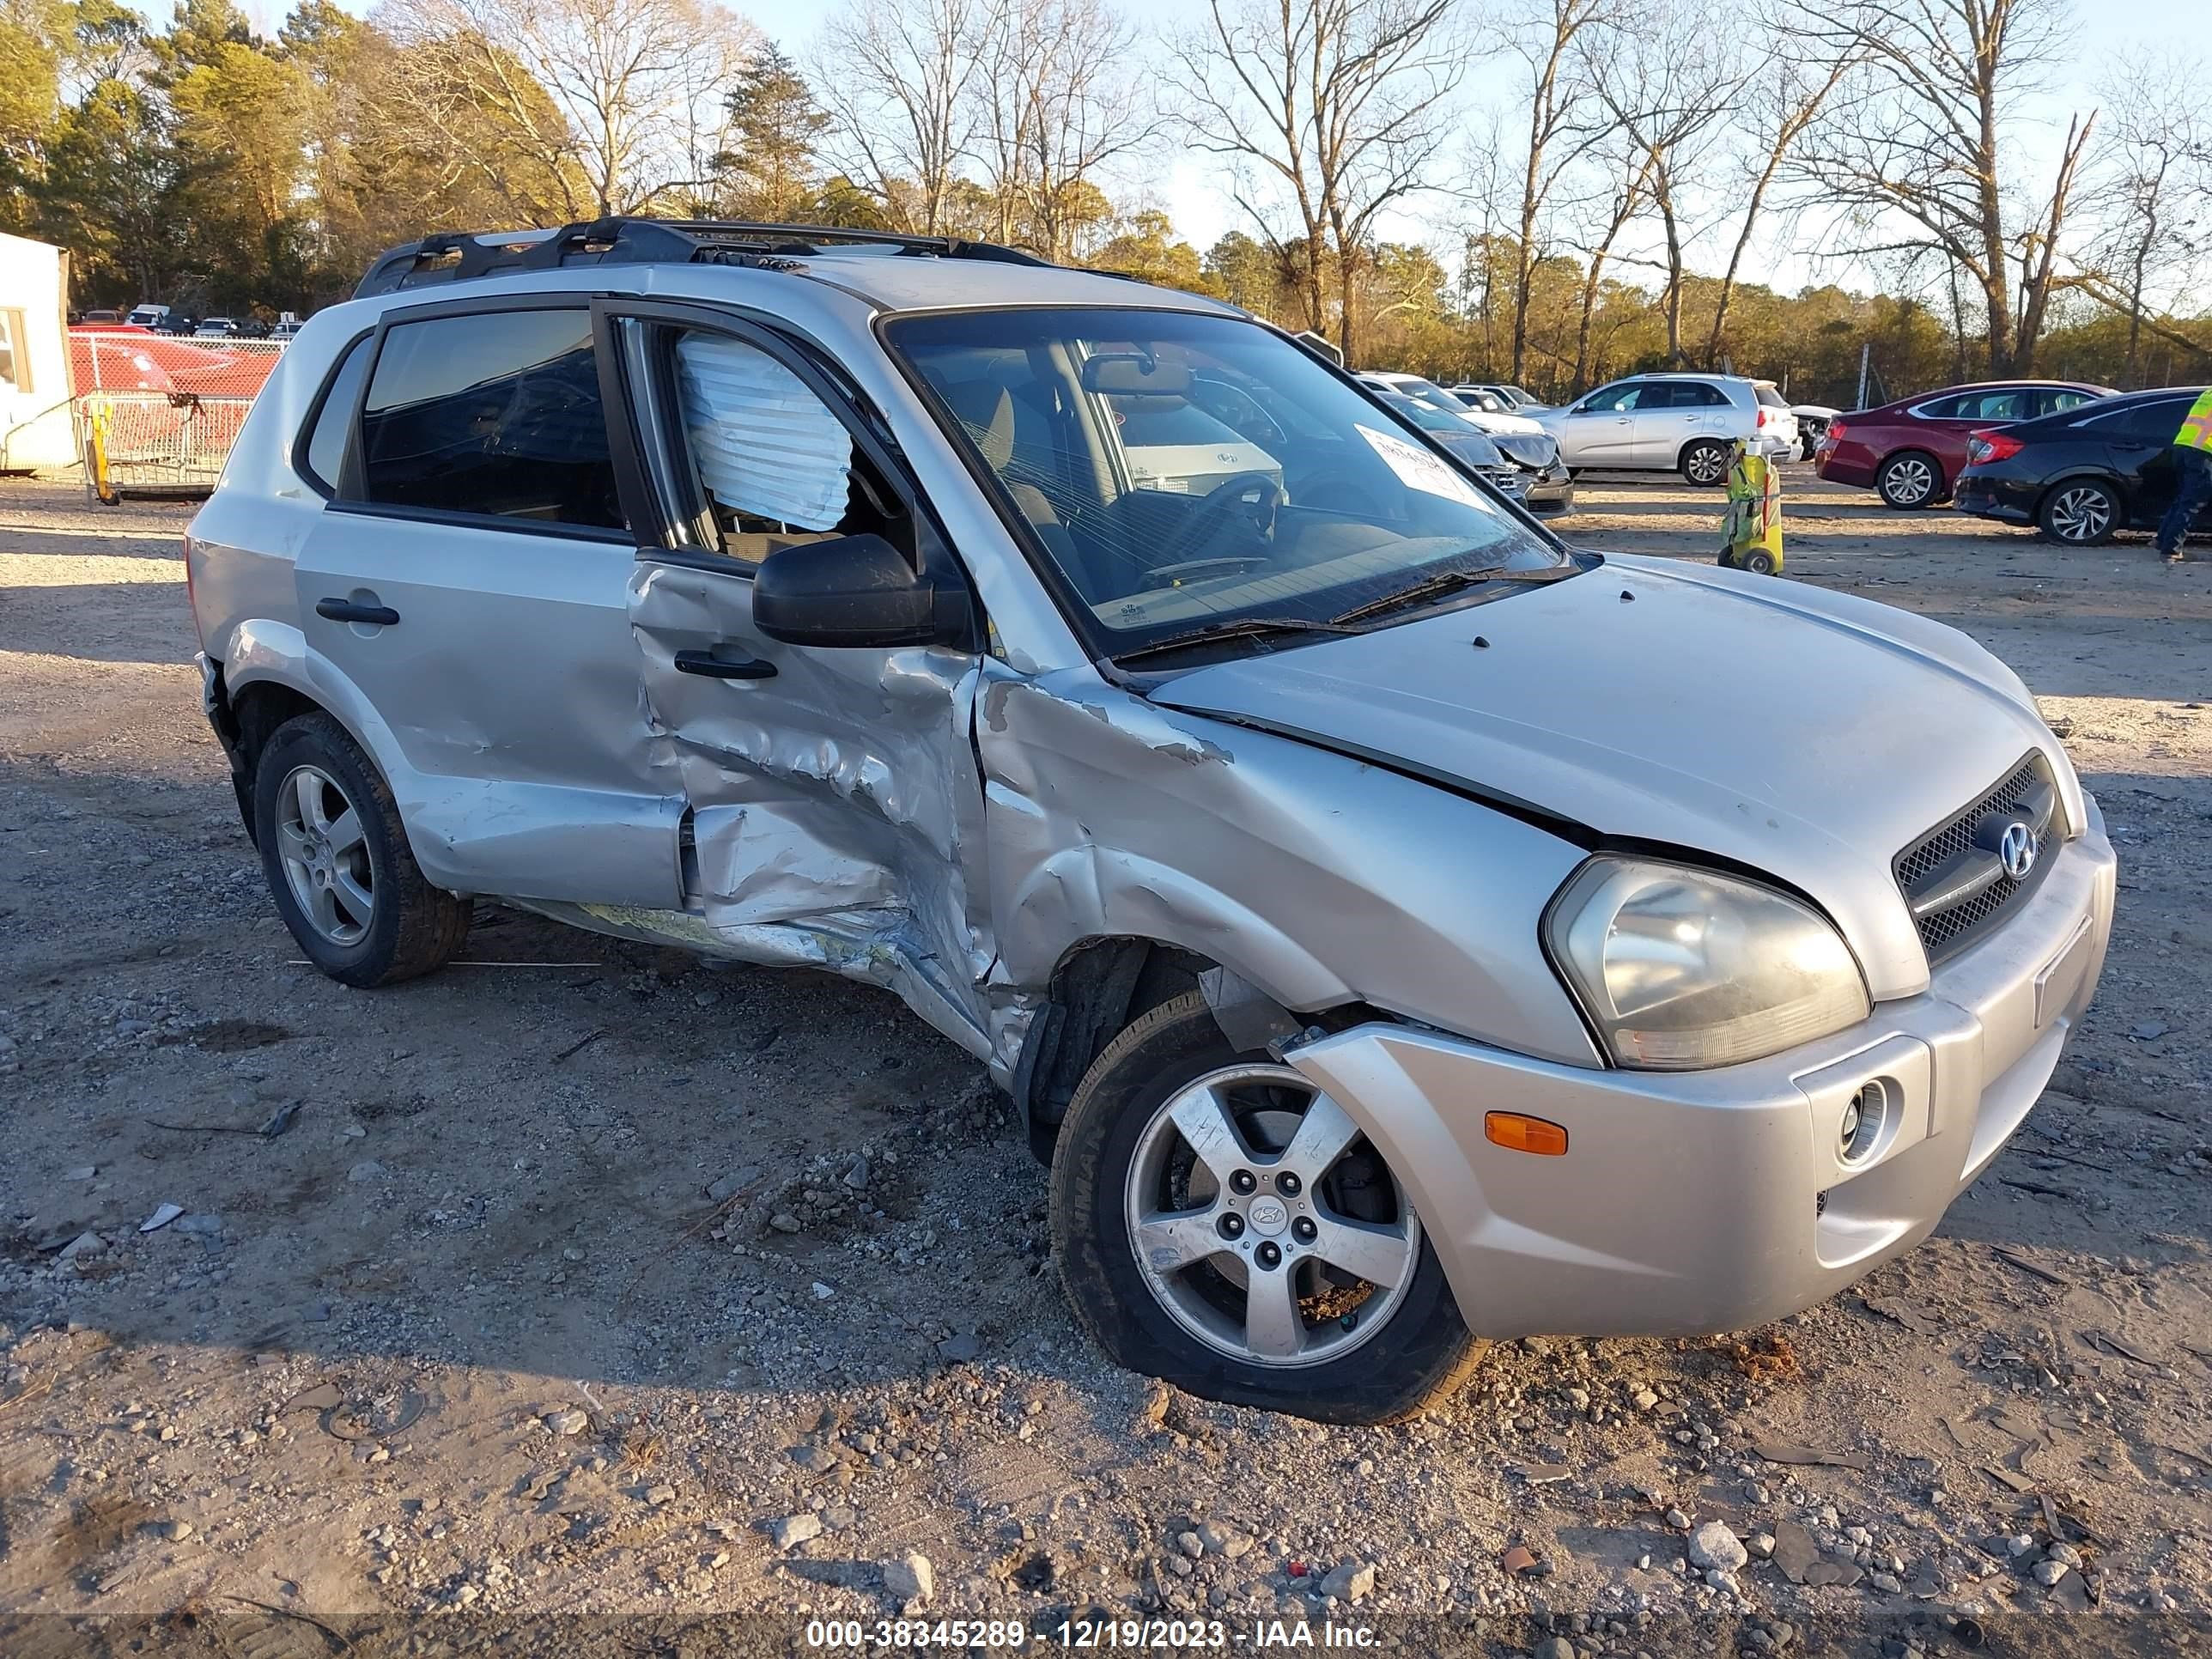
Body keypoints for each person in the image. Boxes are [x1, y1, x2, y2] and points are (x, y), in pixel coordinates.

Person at [2157, 386, 2212, 563]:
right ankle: (2171, 550)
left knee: (2183, 499)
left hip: (2183, 447)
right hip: (2202, 452)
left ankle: (2160, 540)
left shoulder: (2208, 392)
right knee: (2192, 502)